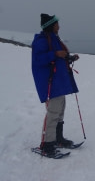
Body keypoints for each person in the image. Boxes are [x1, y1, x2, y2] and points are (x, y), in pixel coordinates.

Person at [31, 14, 80, 157]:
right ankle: (47, 145)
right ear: (51, 26)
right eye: (57, 24)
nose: (59, 26)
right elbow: (38, 60)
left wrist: (69, 57)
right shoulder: (41, 40)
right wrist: (55, 54)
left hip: (59, 82)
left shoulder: (53, 39)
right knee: (53, 113)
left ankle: (58, 139)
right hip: (50, 83)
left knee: (60, 111)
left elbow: (58, 56)